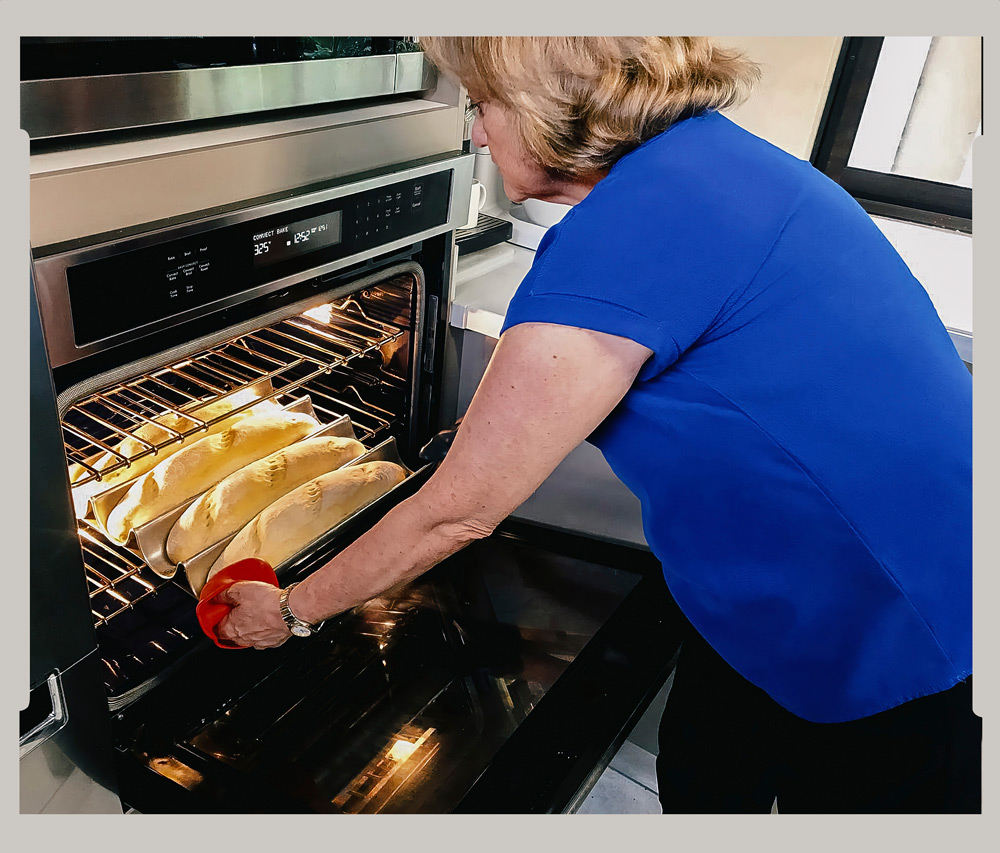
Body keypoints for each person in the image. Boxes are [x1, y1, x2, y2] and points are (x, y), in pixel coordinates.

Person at [216, 37, 979, 813]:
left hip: (886, 610)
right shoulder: (712, 159)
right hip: (795, 576)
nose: (477, 133)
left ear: (553, 102)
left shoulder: (622, 238)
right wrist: (476, 446)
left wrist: (289, 611)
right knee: (705, 772)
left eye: (482, 105)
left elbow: (459, 512)